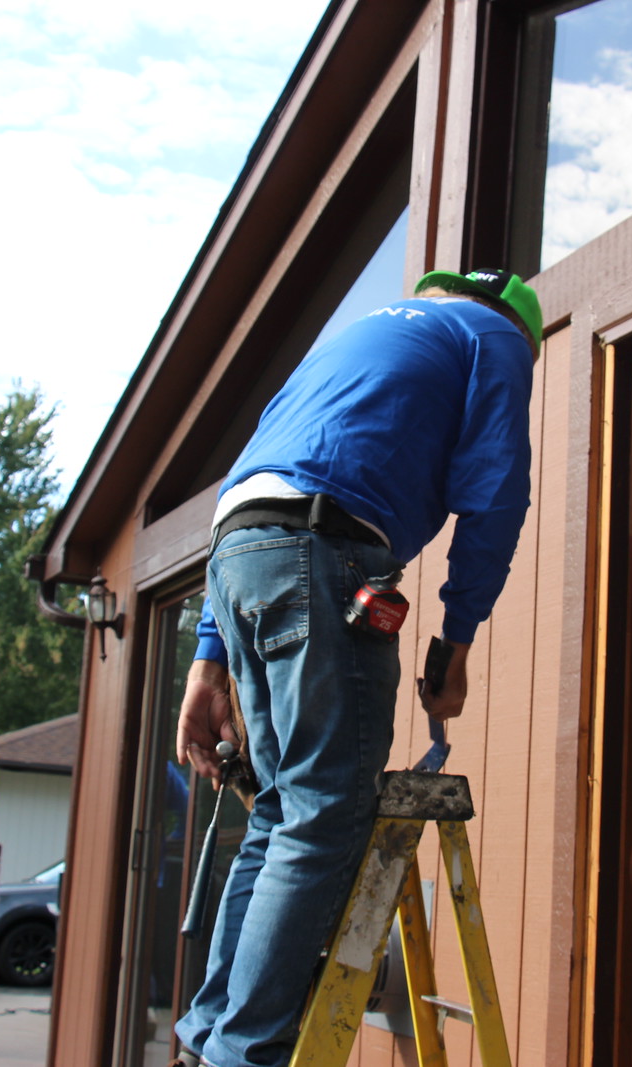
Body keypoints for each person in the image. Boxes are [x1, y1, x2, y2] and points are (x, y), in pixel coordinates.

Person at [171, 267, 542, 1067]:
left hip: (240, 551)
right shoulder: (497, 337)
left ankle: (208, 1040)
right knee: (326, 809)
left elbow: (248, 483)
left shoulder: (361, 334)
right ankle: (245, 1055)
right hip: (320, 547)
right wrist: (457, 642)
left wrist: (207, 663)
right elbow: (496, 494)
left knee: (282, 810)